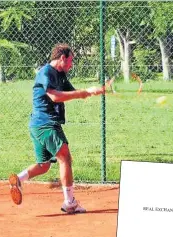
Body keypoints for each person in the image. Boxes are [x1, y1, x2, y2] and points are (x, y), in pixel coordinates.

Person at [9, 43, 106, 214]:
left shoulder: (61, 75)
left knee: (44, 165)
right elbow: (54, 96)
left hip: (38, 125)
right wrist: (81, 93)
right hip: (46, 123)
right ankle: (70, 202)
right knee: (65, 158)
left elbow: (75, 92)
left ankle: (18, 179)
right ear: (62, 58)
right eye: (70, 61)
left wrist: (95, 91)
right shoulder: (46, 72)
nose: (71, 64)